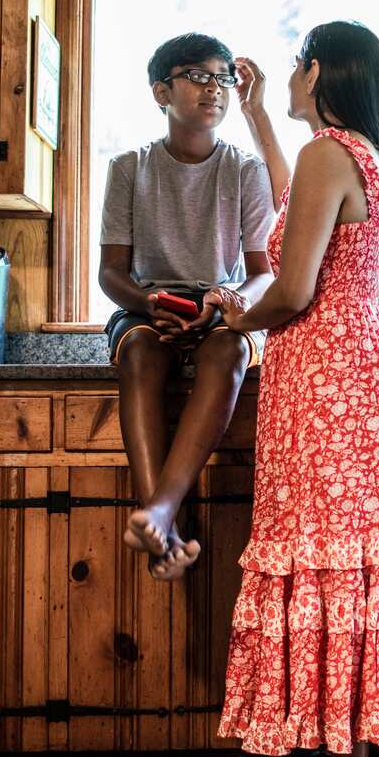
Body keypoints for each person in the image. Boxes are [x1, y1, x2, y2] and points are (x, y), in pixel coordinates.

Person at [209, 22, 379, 757]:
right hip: (374, 376)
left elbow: (295, 284)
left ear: (318, 71)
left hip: (323, 380)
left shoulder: (328, 157)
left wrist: (234, 317)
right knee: (369, 570)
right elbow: (296, 215)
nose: (286, 75)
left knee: (331, 566)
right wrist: (258, 120)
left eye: (294, 65)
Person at [99, 33, 276, 580]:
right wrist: (148, 306)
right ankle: (164, 528)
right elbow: (110, 273)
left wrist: (224, 304)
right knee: (140, 355)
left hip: (223, 307)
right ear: (161, 91)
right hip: (147, 304)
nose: (214, 88)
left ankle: (157, 516)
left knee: (227, 352)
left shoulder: (246, 170)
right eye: (198, 76)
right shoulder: (130, 167)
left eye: (224, 78)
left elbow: (264, 273)